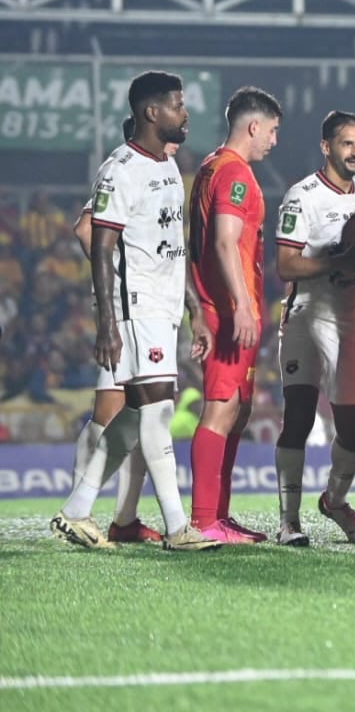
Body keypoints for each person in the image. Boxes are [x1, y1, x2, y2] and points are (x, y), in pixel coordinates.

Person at [49, 70, 218, 551]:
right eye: (178, 105)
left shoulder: (165, 165)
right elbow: (100, 245)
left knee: (128, 420)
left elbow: (172, 248)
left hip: (161, 307)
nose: (185, 114)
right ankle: (178, 526)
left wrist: (193, 310)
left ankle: (78, 510)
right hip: (135, 306)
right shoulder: (121, 168)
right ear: (151, 112)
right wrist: (109, 322)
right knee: (158, 411)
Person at [65, 116, 172, 544]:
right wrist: (116, 278)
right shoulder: (126, 171)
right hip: (127, 309)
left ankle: (122, 517)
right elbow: (86, 228)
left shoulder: (160, 175)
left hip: (146, 306)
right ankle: (78, 509)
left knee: (138, 413)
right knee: (114, 413)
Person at [274, 110, 355, 546]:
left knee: (353, 425)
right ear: (326, 147)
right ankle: (288, 521)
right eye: (347, 143)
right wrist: (338, 260)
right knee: (297, 416)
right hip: (306, 313)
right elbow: (285, 264)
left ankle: (334, 499)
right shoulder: (303, 196)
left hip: (350, 320)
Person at [186, 86, 282, 544]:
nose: (274, 141)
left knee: (237, 411)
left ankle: (218, 517)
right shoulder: (233, 173)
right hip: (230, 309)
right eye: (273, 131)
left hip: (221, 306)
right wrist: (240, 305)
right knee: (221, 409)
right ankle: (204, 520)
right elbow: (224, 242)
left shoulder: (209, 168)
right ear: (253, 126)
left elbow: (195, 247)